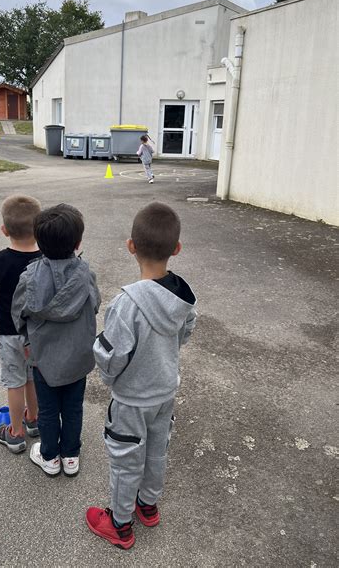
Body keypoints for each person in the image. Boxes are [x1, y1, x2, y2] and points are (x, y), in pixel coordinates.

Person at [86, 201, 197, 550]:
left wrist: (110, 379)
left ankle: (119, 524)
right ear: (176, 250)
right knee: (156, 452)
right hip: (164, 392)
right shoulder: (182, 296)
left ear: (131, 246)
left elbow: (112, 354)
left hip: (132, 399)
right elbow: (185, 332)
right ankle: (147, 505)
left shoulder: (127, 303)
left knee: (125, 459)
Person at [12, 203, 100, 477]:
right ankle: (70, 455)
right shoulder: (85, 275)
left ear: (39, 242)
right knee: (73, 407)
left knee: (48, 409)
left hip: (43, 357)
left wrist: (26, 341)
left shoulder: (29, 277)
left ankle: (50, 456)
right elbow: (94, 305)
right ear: (78, 242)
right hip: (77, 355)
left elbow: (18, 312)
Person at [0, 195, 42, 454]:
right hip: (37, 335)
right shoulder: (46, 260)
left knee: (14, 382)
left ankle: (15, 433)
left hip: (8, 334)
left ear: (4, 230)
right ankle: (34, 420)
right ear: (38, 229)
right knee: (33, 377)